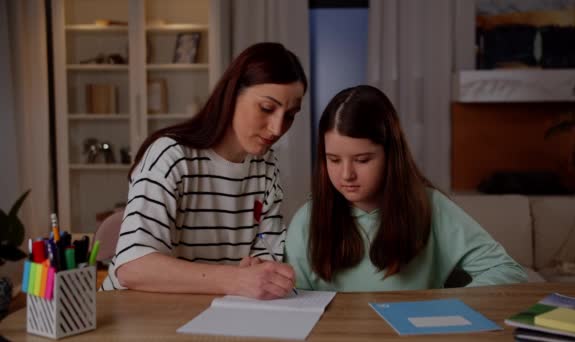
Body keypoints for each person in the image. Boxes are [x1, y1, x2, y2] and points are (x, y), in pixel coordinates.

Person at [101, 42, 307, 299]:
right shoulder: (172, 156)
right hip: (135, 313)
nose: (277, 128)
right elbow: (132, 267)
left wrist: (259, 269)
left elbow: (266, 251)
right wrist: (235, 278)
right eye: (266, 108)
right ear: (232, 95)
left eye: (290, 115)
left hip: (209, 311)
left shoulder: (266, 166)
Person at [285, 85, 527, 291]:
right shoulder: (307, 219)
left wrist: (447, 307)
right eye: (334, 160)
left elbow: (507, 271)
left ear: (390, 155)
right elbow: (295, 305)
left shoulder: (429, 206)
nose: (346, 175)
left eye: (362, 160)